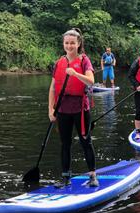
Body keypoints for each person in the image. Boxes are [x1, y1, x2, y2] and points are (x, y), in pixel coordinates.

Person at [48, 28, 99, 187]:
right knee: (65, 143)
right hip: (62, 108)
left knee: (85, 141)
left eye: (72, 43)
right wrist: (51, 109)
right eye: (66, 43)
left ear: (78, 44)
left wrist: (76, 74)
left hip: (80, 108)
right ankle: (65, 177)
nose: (69, 46)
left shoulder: (84, 61)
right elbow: (53, 88)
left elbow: (91, 81)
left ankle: (92, 175)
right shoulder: (59, 62)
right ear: (63, 44)